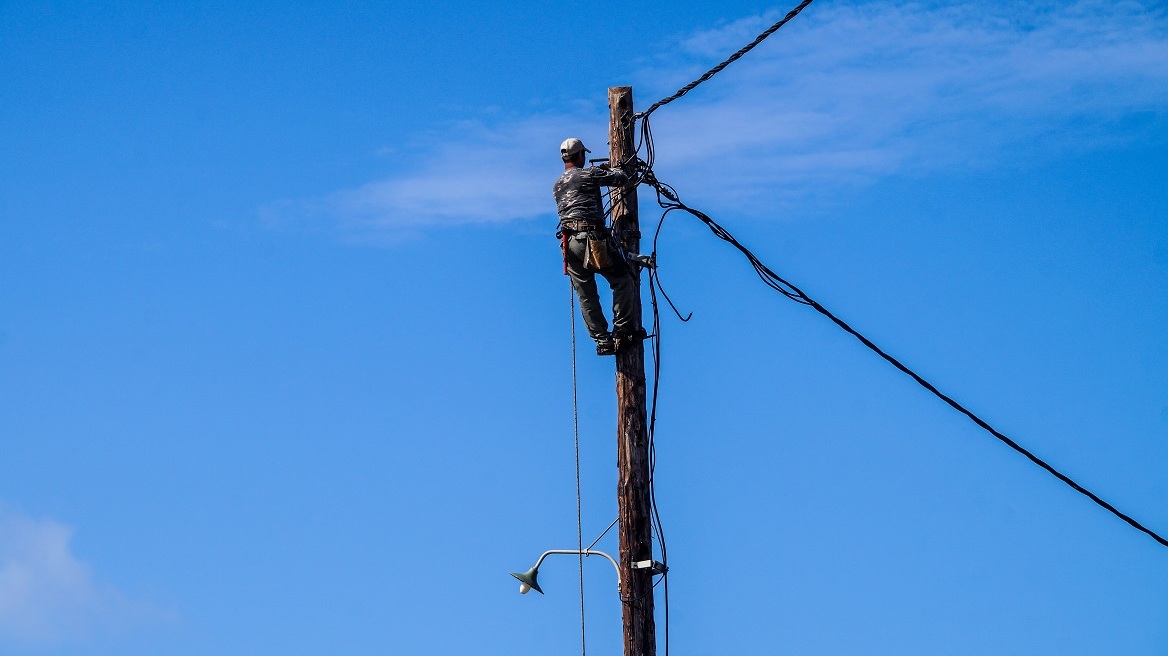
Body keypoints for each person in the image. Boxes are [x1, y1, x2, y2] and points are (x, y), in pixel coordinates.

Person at [553, 137, 645, 355]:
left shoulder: (557, 184)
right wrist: (613, 168)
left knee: (586, 294)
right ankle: (622, 331)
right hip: (590, 238)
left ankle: (602, 340)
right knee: (623, 279)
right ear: (580, 155)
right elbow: (621, 178)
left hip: (568, 243)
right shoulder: (588, 174)